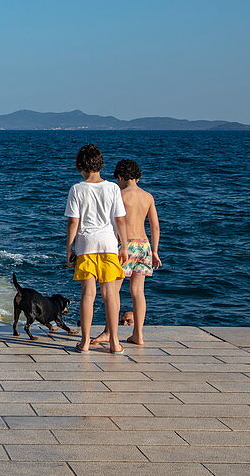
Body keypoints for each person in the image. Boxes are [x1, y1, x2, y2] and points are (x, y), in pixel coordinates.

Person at [65, 144, 128, 354]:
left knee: (88, 294)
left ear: (81, 166)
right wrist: (124, 246)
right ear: (100, 164)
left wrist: (69, 249)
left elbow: (74, 222)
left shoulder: (77, 189)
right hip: (109, 244)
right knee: (110, 295)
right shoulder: (113, 188)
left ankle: (84, 342)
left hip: (86, 245)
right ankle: (115, 343)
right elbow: (120, 220)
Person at [91, 160, 162, 347]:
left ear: (121, 177)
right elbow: (155, 226)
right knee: (138, 292)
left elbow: (111, 222)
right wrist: (154, 251)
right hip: (144, 246)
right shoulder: (148, 196)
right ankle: (138, 334)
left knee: (113, 291)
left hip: (124, 245)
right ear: (137, 177)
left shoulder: (119, 195)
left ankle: (109, 331)